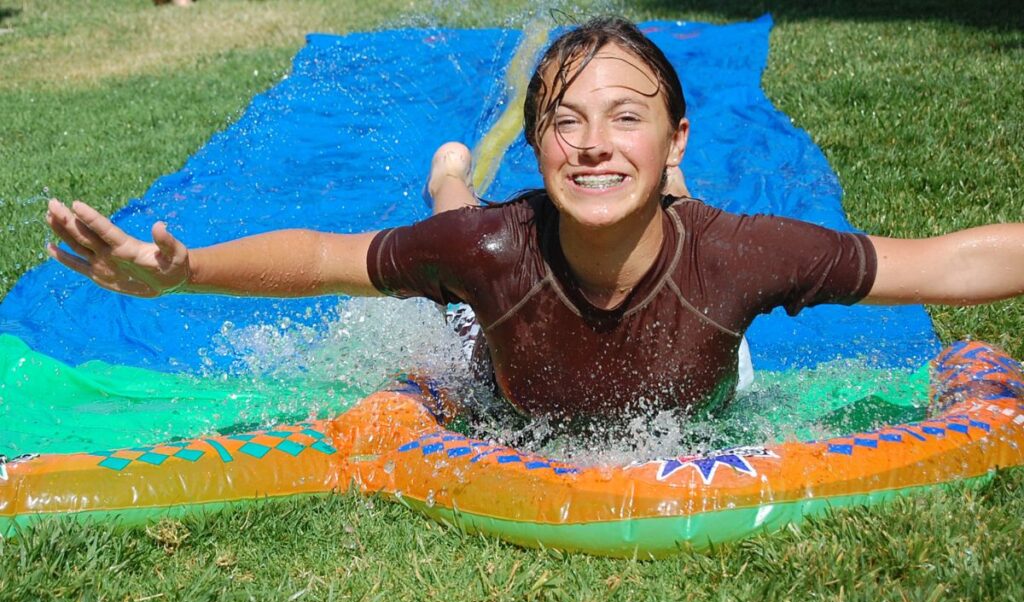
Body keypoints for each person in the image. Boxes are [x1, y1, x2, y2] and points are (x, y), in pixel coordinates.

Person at [45, 17, 1024, 424]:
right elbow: (327, 256)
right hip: (506, 360)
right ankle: (450, 180)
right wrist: (183, 269)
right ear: (542, 146)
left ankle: (451, 180)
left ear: (676, 141)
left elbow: (939, 262)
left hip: (687, 384)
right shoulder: (496, 245)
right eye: (565, 120)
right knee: (453, 262)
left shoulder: (739, 254)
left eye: (625, 116)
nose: (592, 140)